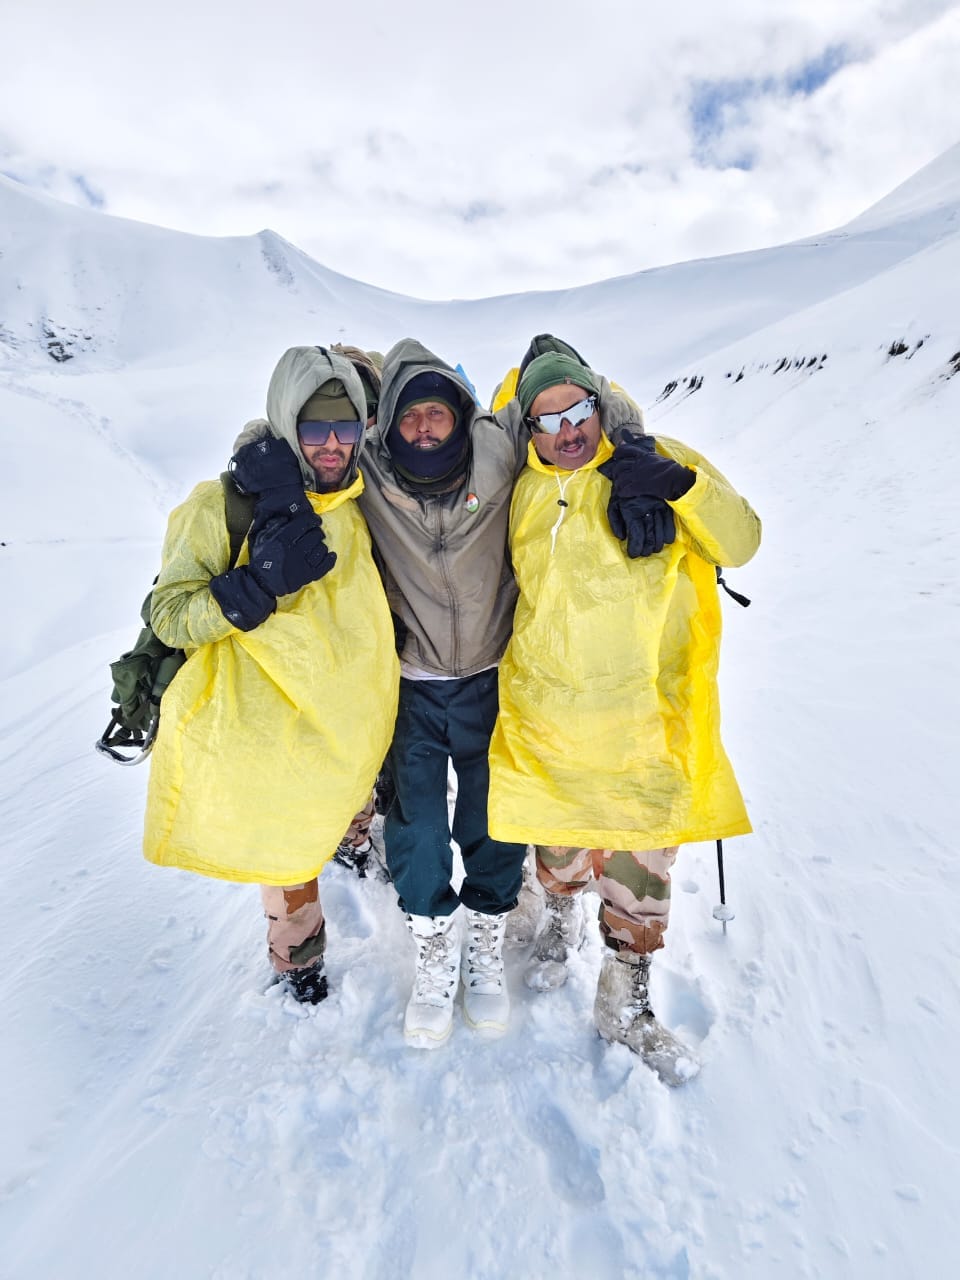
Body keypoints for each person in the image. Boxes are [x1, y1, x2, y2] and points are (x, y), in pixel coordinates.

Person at [487, 350, 761, 1084]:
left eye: (580, 411)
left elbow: (742, 540)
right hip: (551, 719)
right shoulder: (517, 493)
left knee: (642, 872)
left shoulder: (661, 460)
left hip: (645, 720)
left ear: (602, 407)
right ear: (529, 427)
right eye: (549, 419)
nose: (568, 429)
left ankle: (625, 1001)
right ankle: (560, 921)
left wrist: (680, 488)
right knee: (559, 856)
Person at [143, 346, 399, 1003]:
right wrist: (254, 586)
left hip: (351, 720)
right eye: (317, 428)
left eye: (348, 427)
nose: (335, 444)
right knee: (288, 857)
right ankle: (300, 967)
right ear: (288, 423)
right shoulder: (223, 507)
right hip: (273, 730)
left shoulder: (365, 497)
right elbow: (170, 615)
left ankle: (352, 838)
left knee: (348, 803)